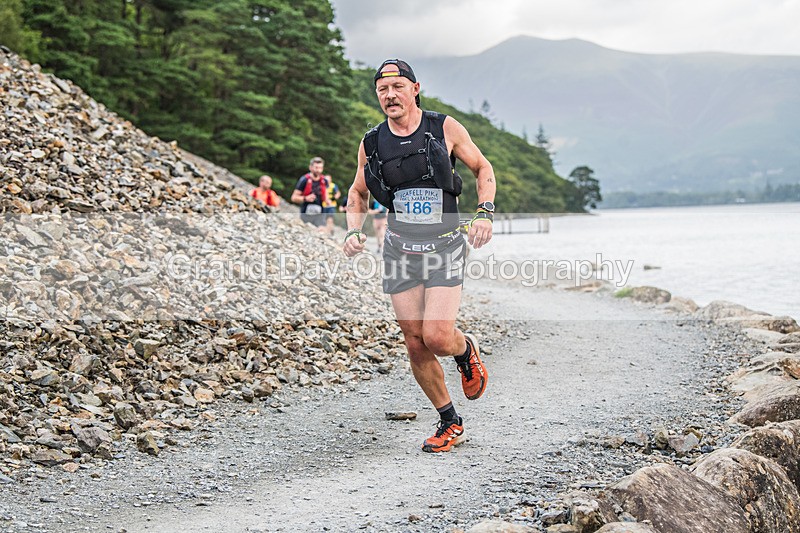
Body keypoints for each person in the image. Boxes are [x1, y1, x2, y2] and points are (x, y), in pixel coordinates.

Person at [342, 59, 497, 453]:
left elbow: (482, 168)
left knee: (438, 337)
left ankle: (465, 351)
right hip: (399, 249)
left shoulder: (443, 127)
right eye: (382, 90)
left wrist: (484, 212)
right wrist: (354, 230)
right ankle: (450, 421)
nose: (390, 95)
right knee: (414, 342)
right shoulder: (372, 142)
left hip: (444, 246)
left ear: (415, 89)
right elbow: (358, 192)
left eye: (398, 87)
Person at [291, 157, 328, 229]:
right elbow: (293, 198)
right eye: (316, 168)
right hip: (306, 213)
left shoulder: (324, 181)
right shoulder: (304, 180)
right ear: (310, 167)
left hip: (320, 213)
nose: (318, 170)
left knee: (321, 231)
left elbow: (326, 197)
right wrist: (305, 198)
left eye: (320, 168)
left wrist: (328, 201)